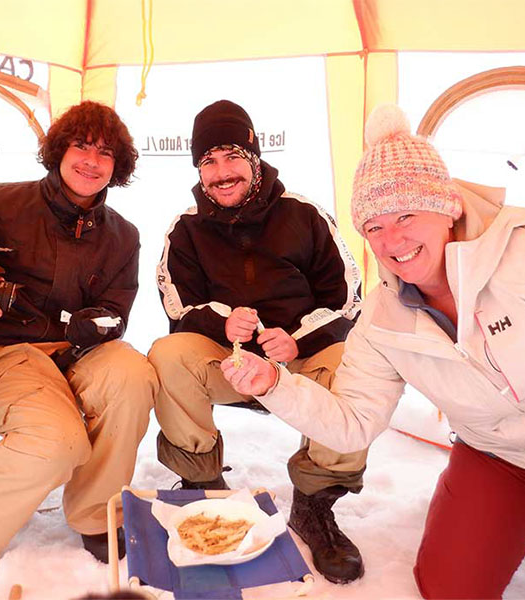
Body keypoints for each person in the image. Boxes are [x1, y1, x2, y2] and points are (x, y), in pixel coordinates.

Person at [222, 104, 525, 598]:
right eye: (375, 227)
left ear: (446, 206)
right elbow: (353, 422)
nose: (394, 240)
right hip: (502, 457)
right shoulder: (381, 321)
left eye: (407, 214)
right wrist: (274, 384)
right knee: (451, 588)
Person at [0, 101, 157, 571]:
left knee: (133, 374)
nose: (91, 161)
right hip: (2, 350)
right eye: (81, 146)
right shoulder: (1, 202)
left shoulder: (123, 235)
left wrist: (99, 322)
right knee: (59, 440)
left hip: (78, 353)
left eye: (105, 153)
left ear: (117, 166)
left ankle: (95, 515)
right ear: (59, 150)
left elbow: (117, 313)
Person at [149, 99, 366, 584]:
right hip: (231, 366)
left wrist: (300, 338)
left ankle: (315, 504)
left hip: (302, 365)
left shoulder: (305, 215)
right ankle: (201, 482)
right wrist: (221, 323)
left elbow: (349, 298)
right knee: (166, 355)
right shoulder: (185, 230)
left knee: (354, 364)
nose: (221, 172)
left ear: (254, 157)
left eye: (231, 157)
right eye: (208, 161)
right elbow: (177, 305)